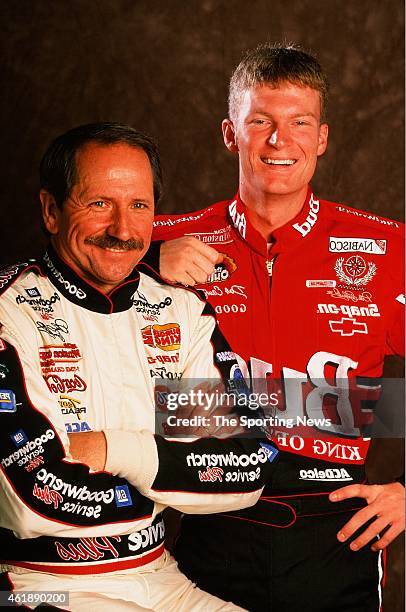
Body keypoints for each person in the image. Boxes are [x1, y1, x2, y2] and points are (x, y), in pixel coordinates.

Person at [149, 44, 405, 611]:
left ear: (322, 138)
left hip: (335, 536)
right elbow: (46, 300)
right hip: (201, 529)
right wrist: (140, 265)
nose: (278, 140)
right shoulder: (159, 236)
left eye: (299, 123)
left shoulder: (389, 249)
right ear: (229, 132)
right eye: (259, 121)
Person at [0, 122, 277, 611]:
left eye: (139, 206)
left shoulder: (181, 309)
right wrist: (172, 480)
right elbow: (30, 498)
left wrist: (115, 450)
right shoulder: (10, 309)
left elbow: (250, 468)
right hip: (38, 581)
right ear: (51, 210)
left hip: (159, 574)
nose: (124, 230)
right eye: (99, 203)